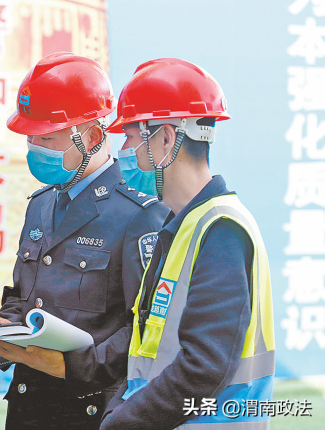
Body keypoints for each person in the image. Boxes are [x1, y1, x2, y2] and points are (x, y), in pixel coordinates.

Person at [0, 52, 169, 430]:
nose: (35, 146)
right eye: (31, 136)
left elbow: (147, 328)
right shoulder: (41, 203)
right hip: (27, 405)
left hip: (91, 411)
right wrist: (6, 327)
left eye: (46, 137)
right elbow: (25, 293)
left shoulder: (138, 215)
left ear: (94, 137)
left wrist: (72, 364)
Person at [100, 58, 274, 429]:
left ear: (166, 138)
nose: (123, 152)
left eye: (130, 137)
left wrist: (121, 423)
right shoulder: (183, 225)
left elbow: (203, 367)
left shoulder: (221, 229)